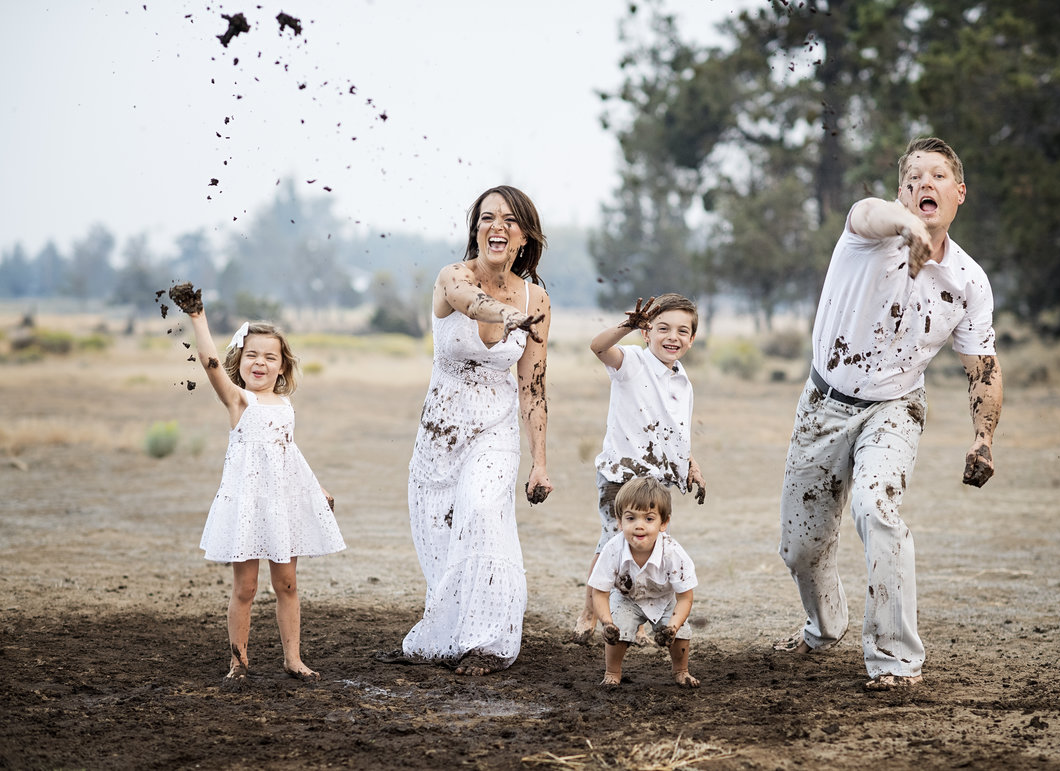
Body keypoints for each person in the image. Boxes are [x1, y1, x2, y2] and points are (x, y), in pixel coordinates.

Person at [775, 137, 1004, 691]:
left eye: (938, 177)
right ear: (901, 192)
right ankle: (824, 624)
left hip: (896, 406)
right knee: (800, 549)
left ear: (959, 193)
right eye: (913, 178)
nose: (925, 184)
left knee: (877, 508)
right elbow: (871, 212)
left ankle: (895, 660)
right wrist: (905, 227)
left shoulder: (968, 281)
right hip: (825, 402)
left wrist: (983, 437)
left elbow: (984, 368)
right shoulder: (865, 231)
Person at [385, 185, 552, 676]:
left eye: (508, 220)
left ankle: (488, 643)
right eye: (486, 218)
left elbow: (534, 387)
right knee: (439, 535)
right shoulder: (452, 277)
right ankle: (451, 632)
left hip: (495, 430)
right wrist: (508, 315)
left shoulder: (536, 297)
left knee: (483, 512)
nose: (496, 226)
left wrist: (540, 461)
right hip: (441, 429)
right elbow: (471, 302)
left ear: (524, 236)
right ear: (475, 229)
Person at [168, 283, 345, 683]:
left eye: (270, 357)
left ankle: (293, 659)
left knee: (287, 584)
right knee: (245, 588)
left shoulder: (284, 405)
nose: (260, 363)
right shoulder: (238, 401)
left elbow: (289, 453)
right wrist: (198, 317)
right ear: (240, 360)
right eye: (252, 356)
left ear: (282, 365)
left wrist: (316, 490)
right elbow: (210, 362)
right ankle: (239, 662)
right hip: (247, 505)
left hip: (282, 504)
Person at [571, 294, 706, 645]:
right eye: (662, 328)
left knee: (648, 547)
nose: (672, 337)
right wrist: (625, 327)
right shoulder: (631, 361)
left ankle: (639, 618)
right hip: (621, 475)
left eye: (682, 331)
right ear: (646, 332)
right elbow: (598, 347)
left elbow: (677, 430)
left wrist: (690, 464)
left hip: (658, 480)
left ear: (692, 339)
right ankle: (590, 612)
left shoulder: (682, 380)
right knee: (613, 543)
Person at [588, 477, 699, 688]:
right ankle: (612, 672)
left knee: (681, 633)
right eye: (631, 518)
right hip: (626, 598)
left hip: (663, 600)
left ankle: (681, 671)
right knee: (616, 633)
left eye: (649, 519)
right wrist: (607, 623)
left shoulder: (673, 553)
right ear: (619, 522)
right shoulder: (612, 549)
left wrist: (673, 627)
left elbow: (685, 597)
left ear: (664, 523)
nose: (639, 526)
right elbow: (599, 592)